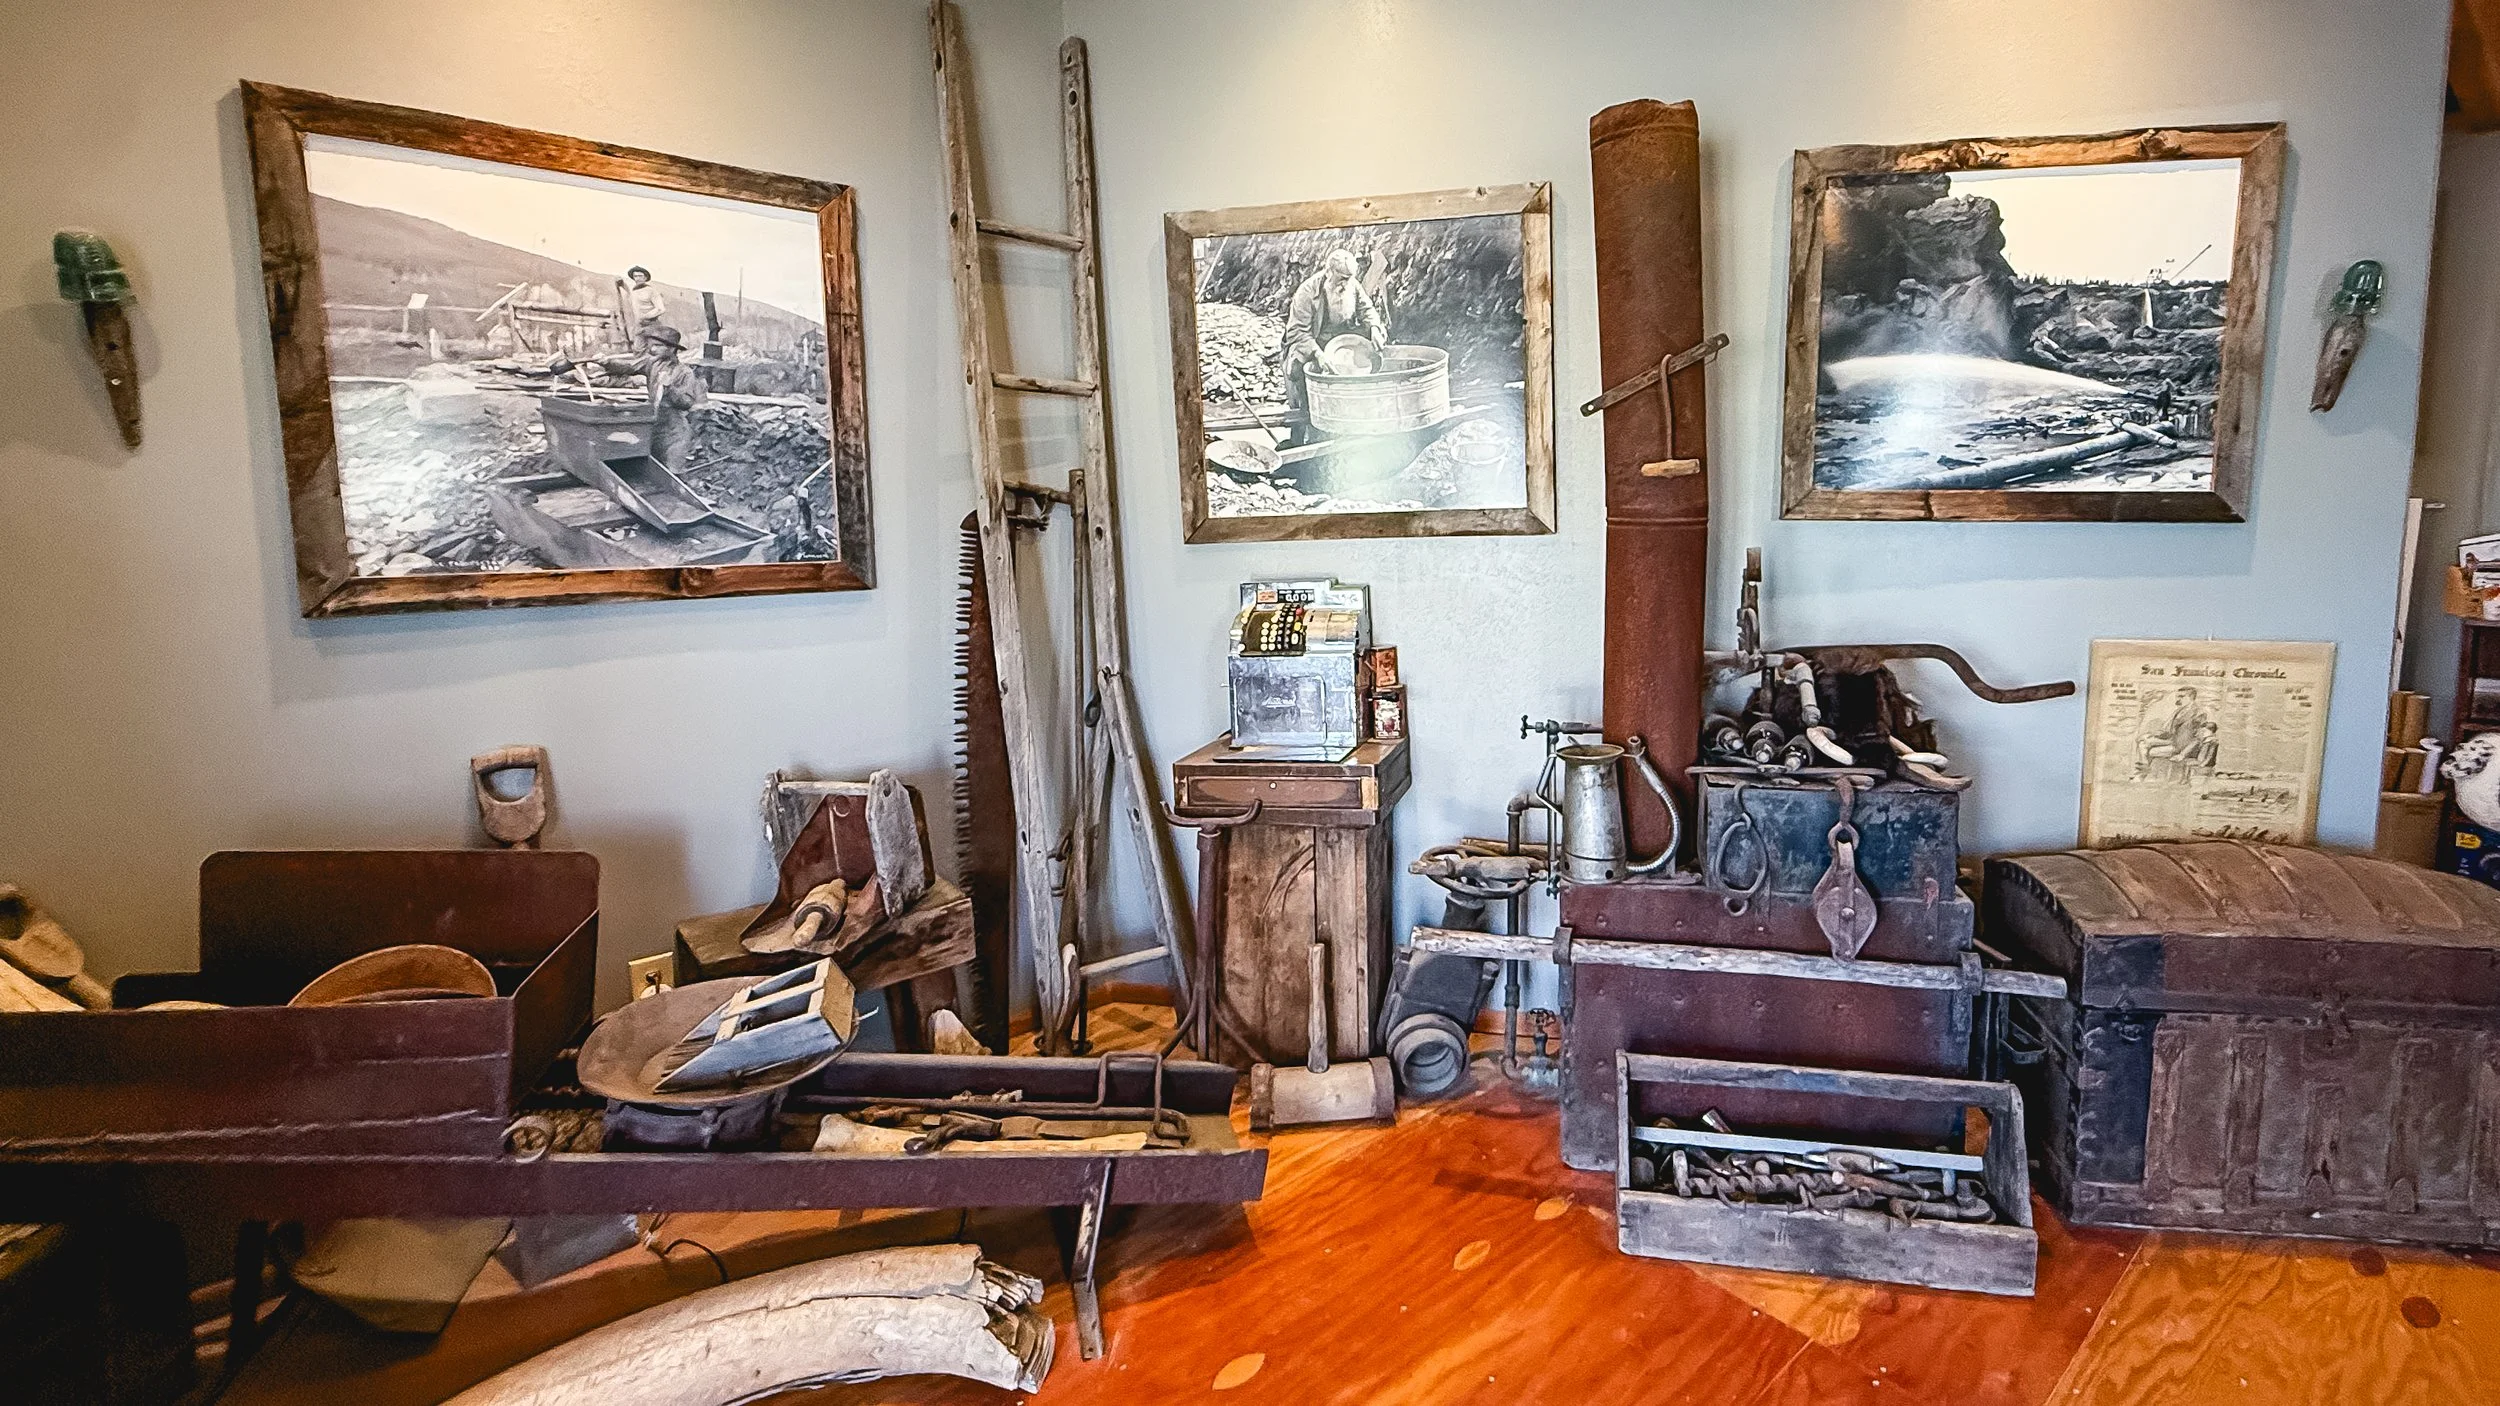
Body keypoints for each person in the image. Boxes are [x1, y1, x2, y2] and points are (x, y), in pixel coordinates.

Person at [551, 324, 707, 472]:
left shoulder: (685, 372)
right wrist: (608, 363)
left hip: (674, 429)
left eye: (658, 346)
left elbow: (686, 403)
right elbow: (629, 367)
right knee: (650, 467)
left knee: (672, 467)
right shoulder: (652, 363)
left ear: (672, 349)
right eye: (653, 345)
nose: (653, 349)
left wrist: (669, 388)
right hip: (653, 422)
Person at [1278, 248, 1387, 444]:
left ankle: (1356, 418)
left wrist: (1374, 328)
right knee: (1302, 371)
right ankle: (1307, 425)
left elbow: (1367, 309)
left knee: (1370, 357)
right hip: (1311, 342)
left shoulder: (1351, 285)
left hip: (1342, 340)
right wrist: (1317, 353)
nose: (1345, 284)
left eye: (1348, 278)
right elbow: (1296, 332)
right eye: (1341, 279)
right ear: (1329, 272)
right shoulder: (1307, 292)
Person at [623, 265, 668, 333]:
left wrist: (646, 316)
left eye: (640, 276)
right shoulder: (634, 292)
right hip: (638, 326)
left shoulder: (651, 291)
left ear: (645, 278)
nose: (638, 279)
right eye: (635, 276)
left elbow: (661, 309)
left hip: (651, 326)